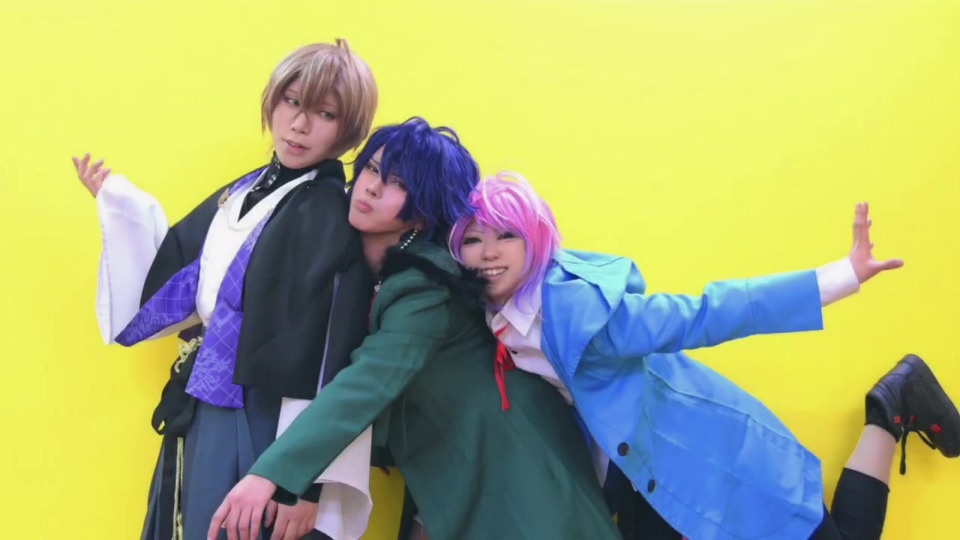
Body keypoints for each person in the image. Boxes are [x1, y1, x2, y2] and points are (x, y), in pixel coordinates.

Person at [448, 172, 960, 540]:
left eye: (507, 235)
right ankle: (891, 406)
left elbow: (706, 313)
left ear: (534, 240)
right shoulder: (485, 315)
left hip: (705, 461)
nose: (489, 252)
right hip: (638, 482)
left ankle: (890, 409)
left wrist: (840, 276)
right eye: (473, 239)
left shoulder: (584, 314)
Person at [207, 119, 621, 540]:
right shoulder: (367, 272)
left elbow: (368, 382)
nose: (372, 187)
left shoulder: (426, 284)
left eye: (398, 183)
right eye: (371, 169)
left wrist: (270, 475)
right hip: (464, 479)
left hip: (523, 479)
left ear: (424, 213)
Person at [73, 40, 378, 539]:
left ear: (349, 129)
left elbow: (332, 352)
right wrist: (119, 206)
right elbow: (182, 274)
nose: (300, 124)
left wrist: (303, 484)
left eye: (325, 113)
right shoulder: (246, 189)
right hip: (211, 391)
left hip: (271, 415)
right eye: (291, 102)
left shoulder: (326, 212)